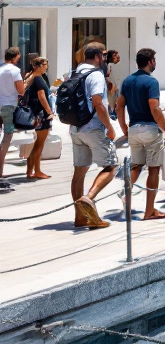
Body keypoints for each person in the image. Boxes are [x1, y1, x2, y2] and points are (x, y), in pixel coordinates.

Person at [117, 48, 165, 220]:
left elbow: (119, 106)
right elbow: (154, 107)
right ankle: (149, 210)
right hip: (150, 129)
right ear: (150, 62)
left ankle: (126, 194)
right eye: (154, 59)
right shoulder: (151, 82)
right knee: (154, 170)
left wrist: (124, 129)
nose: (155, 62)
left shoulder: (127, 81)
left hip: (133, 128)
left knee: (136, 166)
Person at [70, 43, 119, 229]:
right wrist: (109, 127)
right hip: (93, 127)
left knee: (79, 172)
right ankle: (88, 198)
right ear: (97, 56)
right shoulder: (95, 75)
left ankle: (80, 218)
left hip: (75, 128)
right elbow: (98, 103)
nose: (105, 58)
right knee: (111, 166)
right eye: (104, 55)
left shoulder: (74, 72)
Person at [23, 57, 54, 180]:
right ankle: (36, 171)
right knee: (39, 144)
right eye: (45, 64)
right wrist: (49, 112)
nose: (46, 67)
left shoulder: (28, 76)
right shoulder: (38, 79)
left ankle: (32, 170)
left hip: (34, 114)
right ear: (38, 65)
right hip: (42, 115)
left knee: (37, 143)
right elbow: (42, 97)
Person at [0, 46, 26, 179]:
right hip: (9, 106)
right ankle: (0, 169)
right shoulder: (15, 70)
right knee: (7, 137)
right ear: (15, 57)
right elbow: (21, 91)